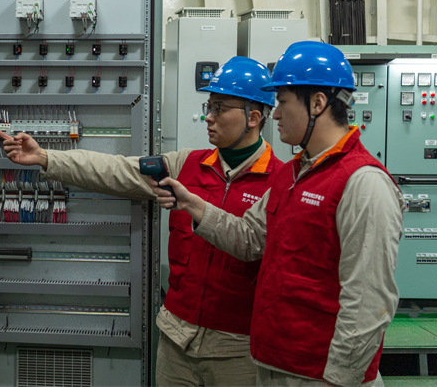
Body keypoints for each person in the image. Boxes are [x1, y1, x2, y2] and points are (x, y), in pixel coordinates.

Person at [0, 56, 285, 387]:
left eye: (219, 107)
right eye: (209, 105)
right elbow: (114, 170)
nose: (208, 116)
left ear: (254, 117)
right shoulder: (186, 165)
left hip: (238, 350)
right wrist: (47, 157)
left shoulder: (280, 182)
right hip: (176, 339)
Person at [153, 42, 404, 387]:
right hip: (275, 364)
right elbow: (249, 238)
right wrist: (192, 203)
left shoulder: (362, 182)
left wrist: (339, 379)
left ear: (317, 103)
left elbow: (369, 302)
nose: (276, 113)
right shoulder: (291, 175)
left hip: (321, 375)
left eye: (283, 102)